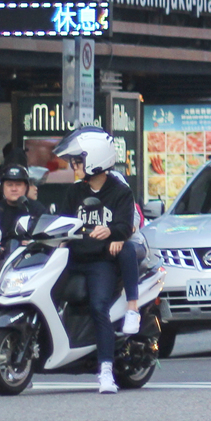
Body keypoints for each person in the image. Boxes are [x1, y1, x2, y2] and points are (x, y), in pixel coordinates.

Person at [53, 127, 137, 394]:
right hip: (72, 257)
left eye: (78, 161)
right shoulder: (74, 192)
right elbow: (62, 223)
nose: (74, 166)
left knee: (99, 306)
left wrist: (111, 231)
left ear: (95, 160)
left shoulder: (120, 192)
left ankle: (105, 371)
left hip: (100, 262)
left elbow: (126, 225)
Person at [0, 167, 43, 267]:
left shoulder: (36, 208)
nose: (14, 189)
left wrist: (33, 243)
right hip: (1, 259)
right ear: (2, 187)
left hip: (31, 258)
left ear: (26, 187)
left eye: (18, 185)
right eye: (9, 185)